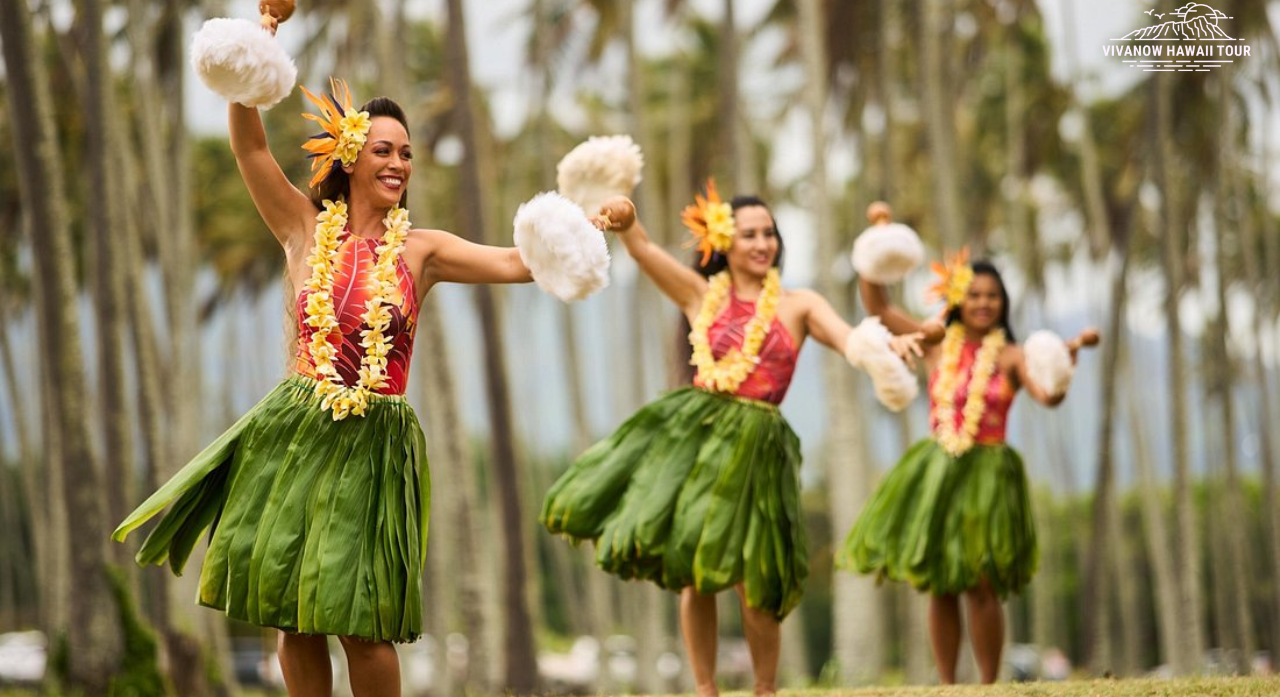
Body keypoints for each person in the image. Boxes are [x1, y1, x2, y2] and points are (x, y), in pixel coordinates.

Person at [112, 75, 613, 697]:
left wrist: (587, 228)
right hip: (296, 435)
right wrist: (253, 55)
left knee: (362, 621)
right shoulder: (302, 228)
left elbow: (517, 262)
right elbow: (251, 150)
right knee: (295, 613)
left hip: (374, 443)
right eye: (384, 150)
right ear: (350, 157)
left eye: (406, 153)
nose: (399, 163)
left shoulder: (423, 251)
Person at [541, 182, 923, 696]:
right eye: (750, 234)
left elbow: (850, 338)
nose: (763, 243)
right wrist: (628, 219)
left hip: (761, 447)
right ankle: (705, 689)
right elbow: (646, 251)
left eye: (770, 233)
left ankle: (765, 689)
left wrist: (885, 345)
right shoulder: (700, 295)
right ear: (725, 242)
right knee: (695, 572)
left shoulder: (799, 303)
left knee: (756, 579)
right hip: (698, 441)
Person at [837, 202, 1098, 684]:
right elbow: (877, 307)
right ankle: (949, 686)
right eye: (974, 294)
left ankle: (989, 684)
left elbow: (1047, 396)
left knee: (980, 582)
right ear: (958, 299)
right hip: (940, 469)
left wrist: (1063, 372)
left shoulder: (1015, 355)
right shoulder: (936, 342)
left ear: (1004, 302)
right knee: (940, 582)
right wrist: (878, 243)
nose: (983, 303)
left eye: (992, 296)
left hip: (989, 474)